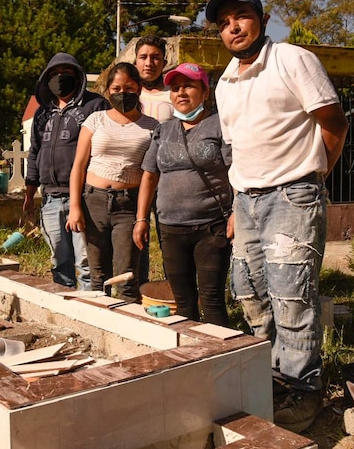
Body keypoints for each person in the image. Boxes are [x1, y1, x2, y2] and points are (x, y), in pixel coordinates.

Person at [206, 0, 349, 432]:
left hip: (292, 196)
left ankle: (304, 393)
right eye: (225, 20)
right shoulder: (226, 80)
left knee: (292, 298)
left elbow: (335, 122)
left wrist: (312, 177)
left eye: (242, 16)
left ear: (262, 20)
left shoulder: (292, 59)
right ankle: (269, 379)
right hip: (245, 201)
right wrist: (237, 205)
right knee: (248, 292)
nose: (233, 26)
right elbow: (238, 148)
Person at [133, 63, 233, 325]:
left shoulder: (219, 126)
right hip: (171, 228)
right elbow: (150, 175)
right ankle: (191, 355)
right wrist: (141, 218)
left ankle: (222, 357)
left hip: (211, 227)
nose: (181, 93)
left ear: (204, 91)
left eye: (188, 85)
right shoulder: (163, 130)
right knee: (183, 300)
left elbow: (236, 171)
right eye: (175, 88)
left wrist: (237, 214)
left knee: (211, 298)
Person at [67, 62, 159, 302]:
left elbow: (151, 174)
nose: (122, 93)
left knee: (127, 277)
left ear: (138, 88)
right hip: (93, 201)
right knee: (98, 277)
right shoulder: (95, 120)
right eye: (116, 88)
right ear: (108, 91)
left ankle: (128, 331)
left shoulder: (152, 127)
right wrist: (75, 207)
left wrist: (142, 217)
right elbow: (78, 165)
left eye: (128, 87)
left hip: (128, 205)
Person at [25, 53, 110, 290]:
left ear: (78, 77)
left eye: (67, 73)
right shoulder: (42, 113)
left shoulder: (95, 106)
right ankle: (67, 310)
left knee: (87, 262)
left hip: (84, 198)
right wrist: (29, 195)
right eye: (54, 74)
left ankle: (91, 313)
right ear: (46, 79)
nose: (60, 78)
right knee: (59, 262)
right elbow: (34, 152)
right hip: (50, 199)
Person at [132, 35, 174, 286]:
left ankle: (175, 293)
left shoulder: (174, 93)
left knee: (170, 240)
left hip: (167, 180)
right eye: (144, 57)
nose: (149, 63)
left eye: (155, 57)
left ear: (164, 61)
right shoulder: (126, 92)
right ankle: (139, 292)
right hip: (133, 179)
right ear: (136, 61)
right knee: (137, 238)